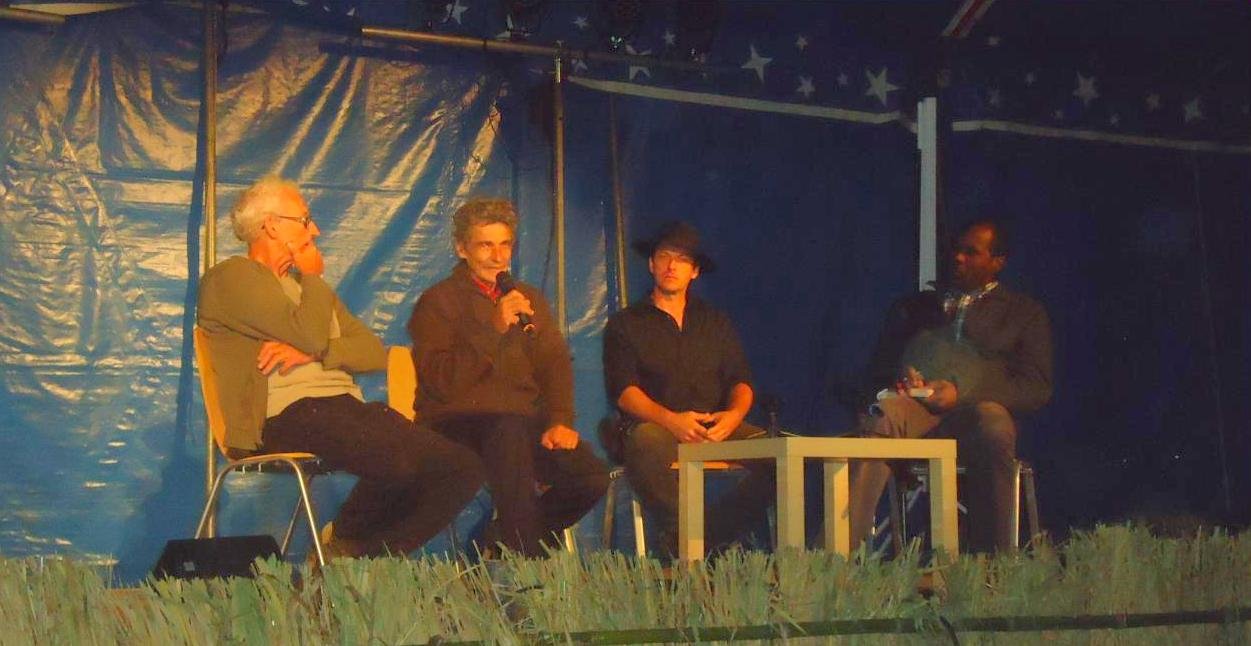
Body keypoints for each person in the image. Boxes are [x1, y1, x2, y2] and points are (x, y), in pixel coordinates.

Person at [197, 176, 485, 559]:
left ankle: (353, 549)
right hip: (284, 415)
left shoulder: (310, 291)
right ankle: (351, 547)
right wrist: (313, 280)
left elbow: (372, 352)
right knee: (394, 461)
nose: (314, 230)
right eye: (304, 220)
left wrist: (316, 353)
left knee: (462, 467)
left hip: (344, 407)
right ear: (271, 226)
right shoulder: (232, 279)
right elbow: (309, 334)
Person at [406, 198, 609, 557]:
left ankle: (503, 538)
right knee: (508, 434)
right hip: (456, 424)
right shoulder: (437, 302)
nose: (497, 256)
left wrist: (560, 421)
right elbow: (441, 381)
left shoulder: (528, 298)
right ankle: (525, 565)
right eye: (485, 245)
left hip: (520, 424)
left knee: (589, 476)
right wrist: (494, 328)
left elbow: (554, 364)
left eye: (505, 245)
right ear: (462, 249)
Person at [849, 219, 1053, 553]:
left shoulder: (1023, 313)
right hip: (918, 411)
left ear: (998, 261)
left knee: (994, 423)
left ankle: (992, 563)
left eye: (971, 252)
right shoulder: (916, 308)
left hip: (975, 415)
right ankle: (837, 558)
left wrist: (961, 393)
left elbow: (1035, 387)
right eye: (957, 250)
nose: (958, 258)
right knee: (883, 414)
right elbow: (878, 371)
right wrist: (904, 380)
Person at [602, 221, 775, 556]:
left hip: (712, 425)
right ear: (651, 264)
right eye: (664, 256)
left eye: (682, 259)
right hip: (657, 426)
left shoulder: (714, 321)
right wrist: (671, 420)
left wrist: (733, 416)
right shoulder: (626, 323)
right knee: (645, 443)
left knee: (780, 456)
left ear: (694, 271)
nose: (671, 266)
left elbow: (741, 380)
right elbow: (623, 391)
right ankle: (686, 535)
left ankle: (704, 538)